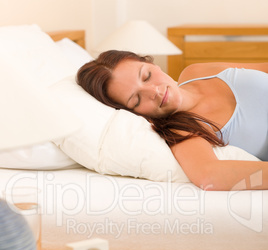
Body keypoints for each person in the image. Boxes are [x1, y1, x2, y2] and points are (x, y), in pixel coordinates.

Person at [77, 50, 268, 191]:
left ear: (153, 64)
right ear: (133, 113)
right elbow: (209, 174)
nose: (155, 92)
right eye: (136, 99)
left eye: (147, 76)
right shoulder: (182, 129)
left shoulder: (196, 72)